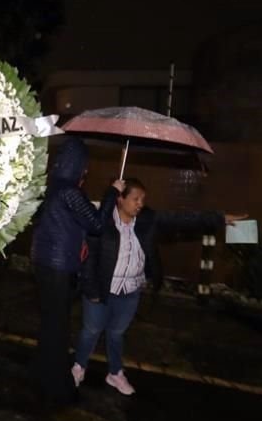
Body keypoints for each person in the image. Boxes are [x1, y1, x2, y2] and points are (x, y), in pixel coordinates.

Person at [72, 177, 246, 395]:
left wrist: (219, 218)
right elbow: (89, 259)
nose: (140, 204)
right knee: (91, 331)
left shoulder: (146, 220)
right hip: (101, 290)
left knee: (116, 333)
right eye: (135, 199)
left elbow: (180, 219)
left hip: (130, 291)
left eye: (143, 199)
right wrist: (91, 290)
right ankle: (79, 367)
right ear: (120, 199)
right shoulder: (101, 222)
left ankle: (115, 373)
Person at [30, 137, 123, 404]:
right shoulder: (70, 191)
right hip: (59, 268)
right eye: (85, 165)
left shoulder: (53, 187)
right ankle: (57, 388)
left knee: (49, 324)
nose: (86, 170)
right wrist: (112, 192)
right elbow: (96, 224)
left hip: (44, 263)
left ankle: (42, 377)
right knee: (58, 328)